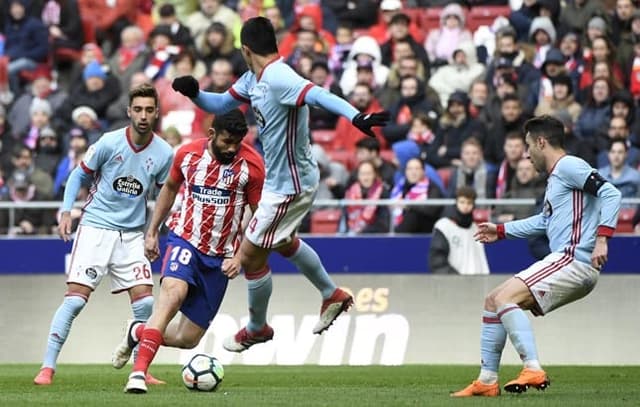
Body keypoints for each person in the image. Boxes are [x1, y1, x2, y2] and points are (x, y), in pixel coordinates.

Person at [171, 16, 389, 352]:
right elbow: (220, 104)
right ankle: (331, 293)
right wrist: (195, 93)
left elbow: (317, 94)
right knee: (283, 243)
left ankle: (258, 327)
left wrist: (354, 116)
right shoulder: (253, 78)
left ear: (246, 49)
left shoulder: (279, 76)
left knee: (249, 254)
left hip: (292, 185)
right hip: (279, 182)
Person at [452, 115, 622, 397]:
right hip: (567, 261)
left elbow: (611, 193)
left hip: (573, 258)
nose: (527, 154)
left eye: (529, 146)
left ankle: (532, 368)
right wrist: (502, 231)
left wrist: (603, 238)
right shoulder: (557, 179)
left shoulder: (569, 165)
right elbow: (543, 222)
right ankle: (487, 380)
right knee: (493, 300)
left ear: (542, 142)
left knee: (505, 299)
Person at [113, 109, 265, 394]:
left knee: (187, 338)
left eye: (237, 142)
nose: (232, 148)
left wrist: (240, 256)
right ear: (211, 134)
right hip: (184, 240)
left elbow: (259, 217)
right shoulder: (187, 155)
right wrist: (152, 231)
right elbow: (169, 188)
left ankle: (137, 331)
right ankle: (138, 373)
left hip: (220, 257)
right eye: (226, 141)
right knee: (172, 296)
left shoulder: (252, 166)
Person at [33, 84, 174, 386]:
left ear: (157, 112)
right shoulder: (109, 142)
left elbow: (165, 194)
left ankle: (141, 368)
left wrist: (154, 232)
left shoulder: (164, 153)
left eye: (149, 110)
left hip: (132, 235)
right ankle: (47, 367)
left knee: (147, 305)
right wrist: (66, 211)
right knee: (74, 302)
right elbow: (78, 175)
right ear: (129, 112)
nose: (144, 116)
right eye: (138, 109)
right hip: (96, 227)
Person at [429, 186, 489, 275]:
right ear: (456, 202)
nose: (465, 206)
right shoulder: (443, 226)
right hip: (452, 283)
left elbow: (481, 260)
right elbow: (437, 261)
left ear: (473, 205)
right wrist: (455, 278)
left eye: (469, 203)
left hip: (476, 283)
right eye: (462, 202)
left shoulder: (475, 228)